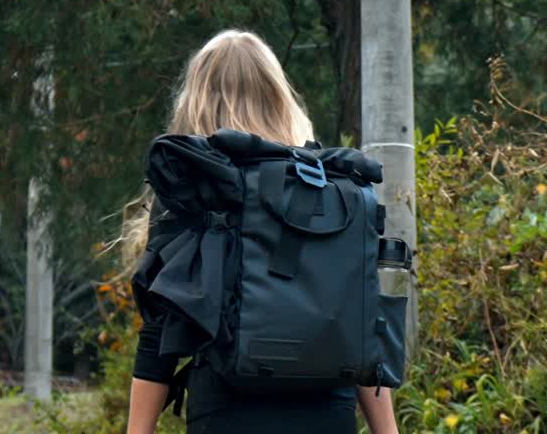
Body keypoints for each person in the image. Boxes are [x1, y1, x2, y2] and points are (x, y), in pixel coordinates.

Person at [125, 30, 400, 434]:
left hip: (228, 413)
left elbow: (159, 335)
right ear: (276, 92)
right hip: (327, 414)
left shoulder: (194, 190)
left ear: (198, 95)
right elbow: (363, 320)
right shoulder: (328, 189)